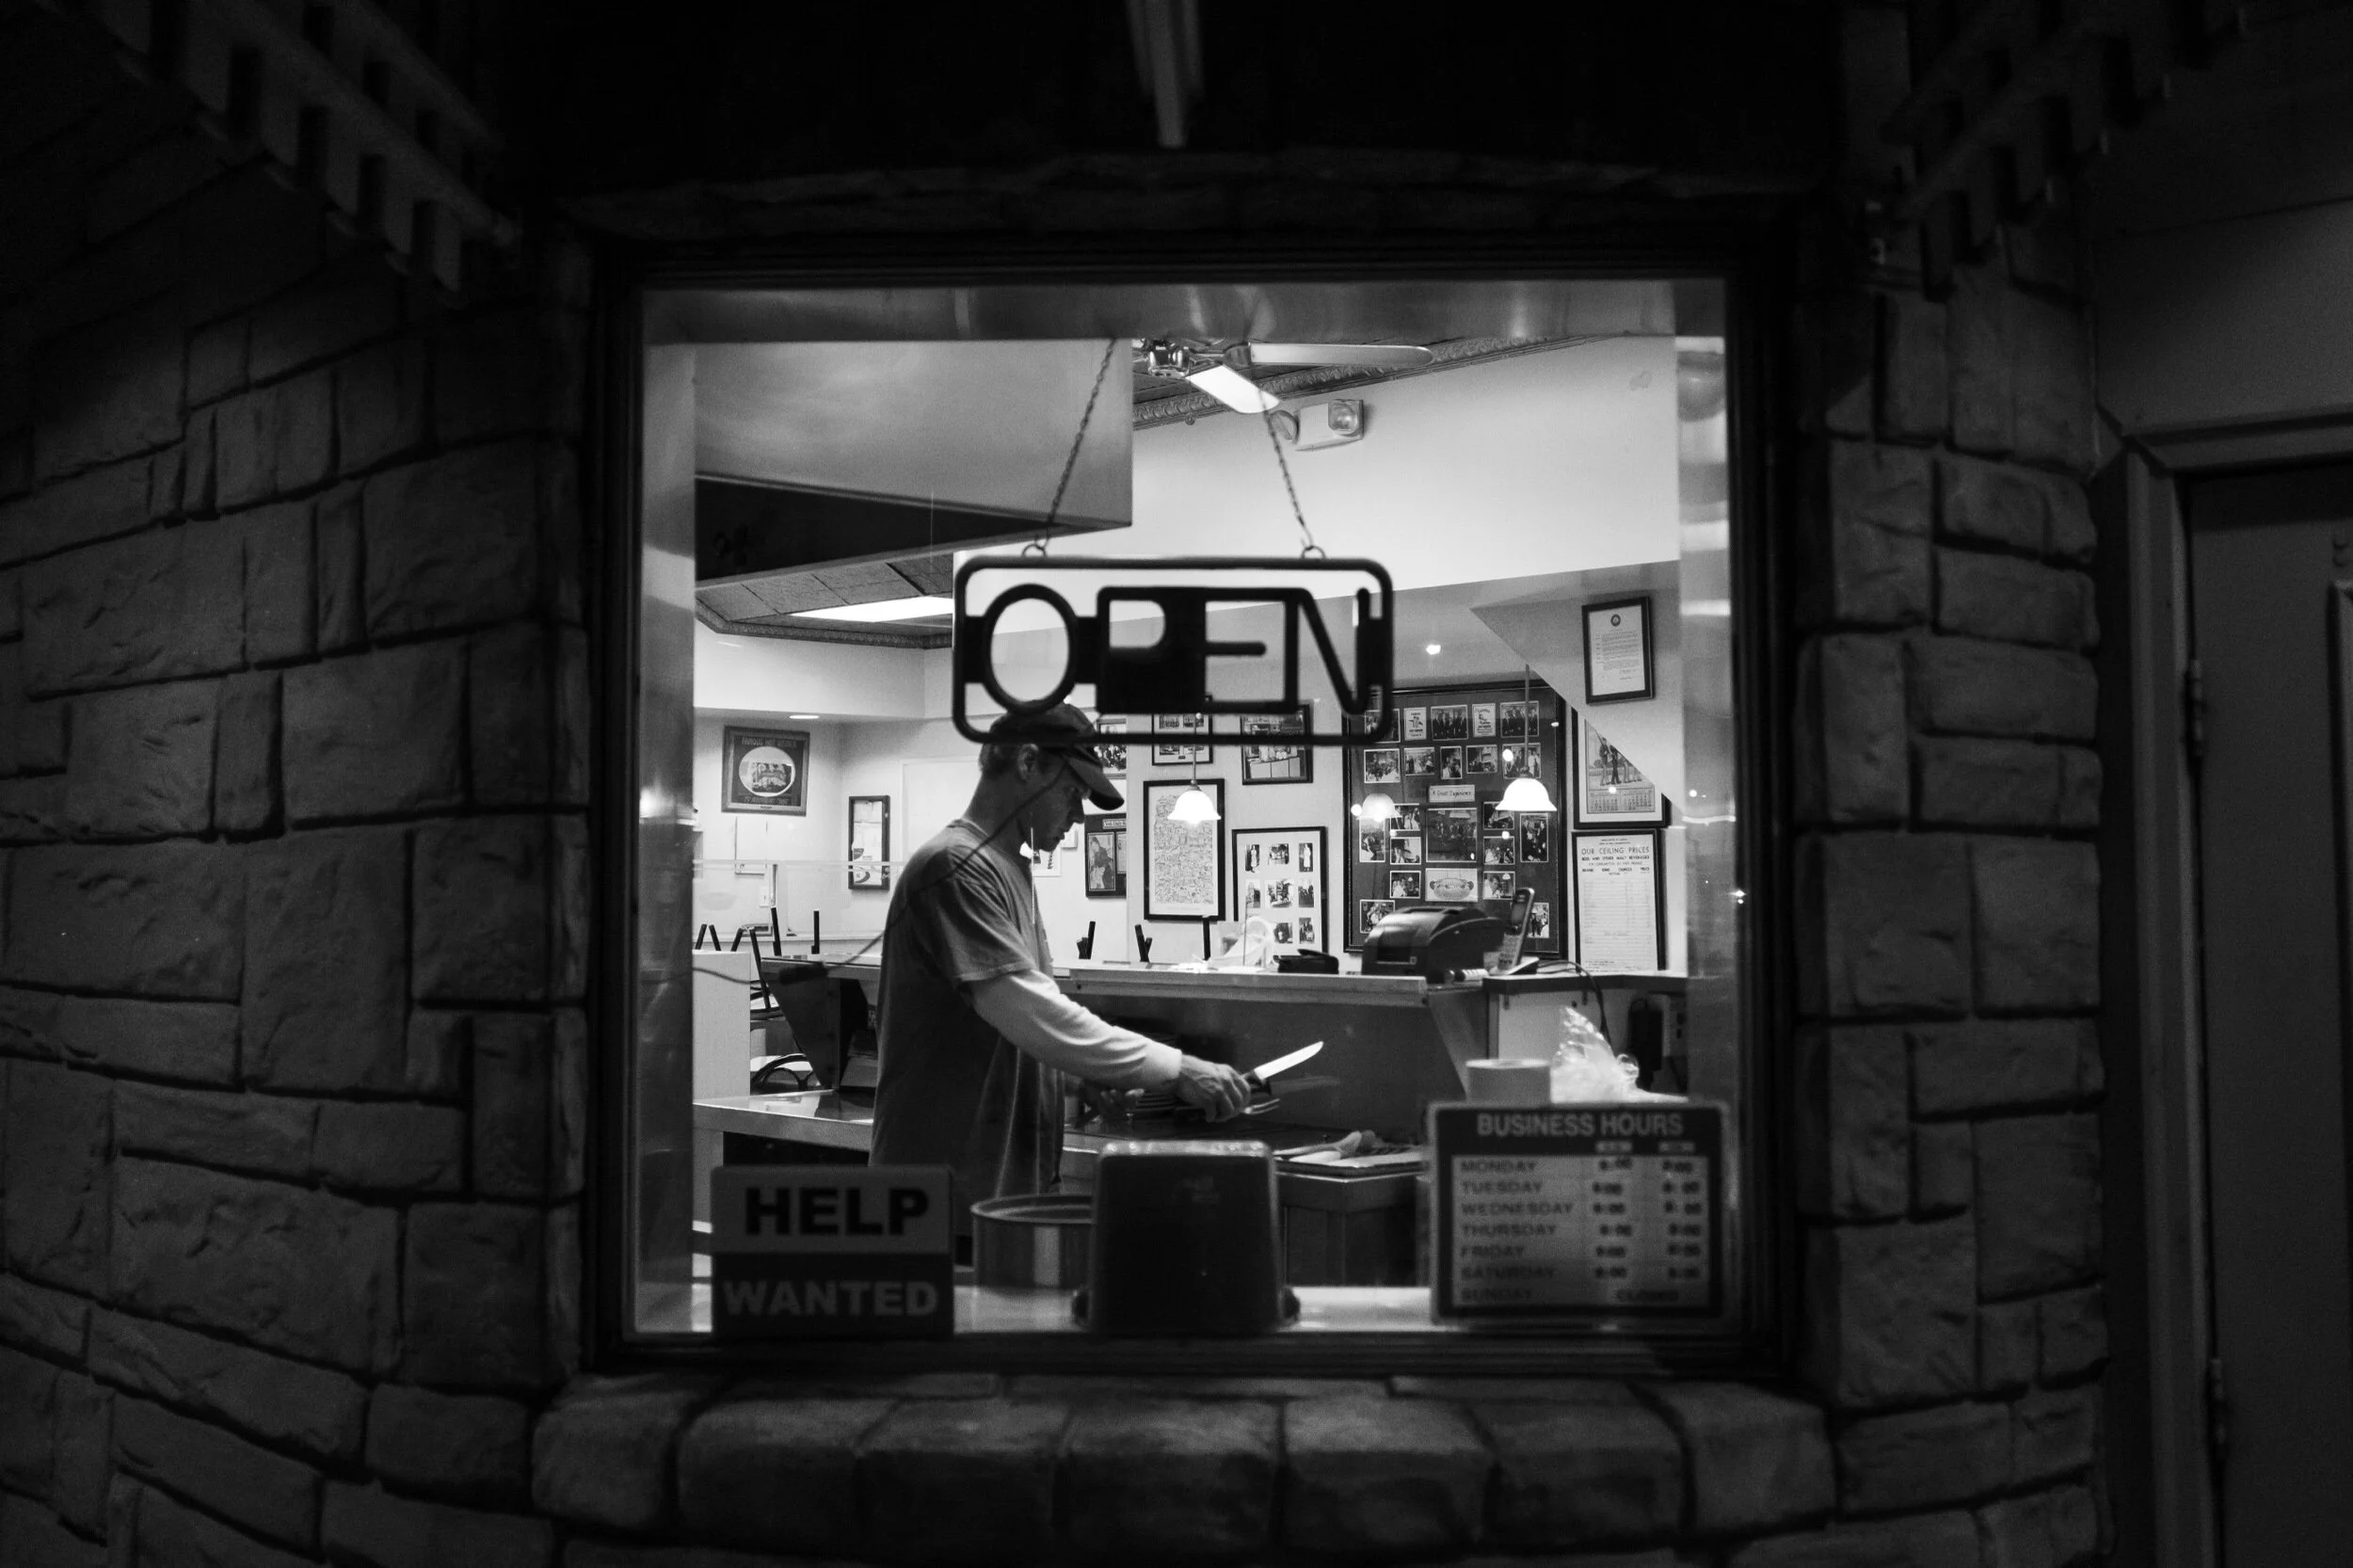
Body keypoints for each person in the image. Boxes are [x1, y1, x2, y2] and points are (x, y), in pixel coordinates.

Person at [870, 703, 1254, 1229]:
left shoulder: (1012, 870)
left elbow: (1007, 1035)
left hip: (1001, 1192)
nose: (1079, 816)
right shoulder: (955, 868)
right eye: (1072, 792)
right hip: (939, 1196)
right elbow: (1028, 1011)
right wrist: (1178, 1067)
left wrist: (1072, 1079)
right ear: (1028, 763)